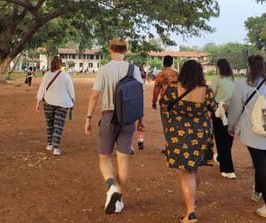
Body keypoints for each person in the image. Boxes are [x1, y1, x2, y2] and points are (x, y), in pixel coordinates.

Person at [84, 38, 145, 214]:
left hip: (108, 117)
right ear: (125, 51)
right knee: (123, 159)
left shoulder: (104, 69)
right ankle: (118, 198)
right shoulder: (133, 70)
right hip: (128, 119)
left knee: (104, 158)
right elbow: (138, 98)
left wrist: (88, 118)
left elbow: (95, 95)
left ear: (110, 49)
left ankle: (111, 188)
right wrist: (141, 119)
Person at [227, 55, 266, 219]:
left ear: (249, 68)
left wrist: (231, 126)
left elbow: (234, 108)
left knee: (261, 166)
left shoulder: (242, 84)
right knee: (261, 162)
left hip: (252, 133)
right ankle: (257, 191)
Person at [159, 60, 216, 222]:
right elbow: (213, 107)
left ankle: (190, 212)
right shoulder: (207, 90)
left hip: (178, 132)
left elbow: (163, 106)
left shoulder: (172, 89)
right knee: (194, 166)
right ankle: (192, 199)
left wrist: (171, 122)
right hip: (201, 133)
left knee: (185, 171)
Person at [36, 56, 75, 156]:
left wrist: (38, 102)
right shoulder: (66, 76)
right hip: (63, 103)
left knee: (50, 124)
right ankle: (56, 148)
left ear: (51, 64)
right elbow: (71, 91)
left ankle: (49, 144)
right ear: (61, 64)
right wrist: (72, 102)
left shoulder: (47, 75)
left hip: (48, 102)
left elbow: (41, 89)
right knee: (59, 126)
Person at [210, 58, 236, 179]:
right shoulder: (232, 79)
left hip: (220, 111)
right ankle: (221, 157)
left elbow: (211, 95)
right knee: (229, 137)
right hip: (232, 110)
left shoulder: (217, 79)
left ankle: (227, 169)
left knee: (221, 139)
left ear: (218, 67)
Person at [152, 55, 178, 145]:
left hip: (165, 104)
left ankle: (169, 145)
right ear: (172, 63)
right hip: (177, 103)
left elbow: (156, 89)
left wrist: (154, 101)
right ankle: (176, 144)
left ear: (163, 63)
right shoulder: (177, 74)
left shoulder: (160, 75)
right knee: (176, 123)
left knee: (166, 124)